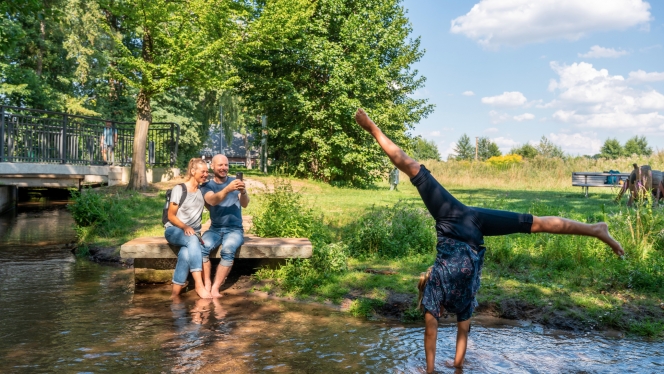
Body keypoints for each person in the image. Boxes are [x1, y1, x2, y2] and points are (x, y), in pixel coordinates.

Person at [353, 108, 624, 372]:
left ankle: (372, 128)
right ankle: (594, 229)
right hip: (465, 221)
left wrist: (435, 371)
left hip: (457, 221)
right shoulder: (451, 296)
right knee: (535, 222)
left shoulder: (446, 298)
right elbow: (453, 336)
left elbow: (440, 336)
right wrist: (453, 367)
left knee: (533, 223)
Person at [200, 154, 250, 298]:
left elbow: (245, 204)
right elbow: (212, 200)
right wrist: (227, 189)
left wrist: (243, 191)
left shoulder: (235, 182)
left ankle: (215, 288)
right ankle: (207, 283)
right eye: (220, 165)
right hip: (215, 229)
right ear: (213, 166)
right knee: (202, 248)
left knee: (228, 249)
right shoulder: (208, 185)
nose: (224, 168)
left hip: (235, 230)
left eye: (226, 165)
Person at [165, 158, 212, 299]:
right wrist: (185, 227)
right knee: (192, 240)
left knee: (185, 254)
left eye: (207, 172)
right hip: (174, 230)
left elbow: (213, 206)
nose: (206, 174)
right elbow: (171, 216)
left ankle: (175, 295)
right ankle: (199, 284)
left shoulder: (202, 191)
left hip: (192, 234)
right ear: (193, 171)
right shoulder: (179, 189)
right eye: (203, 171)